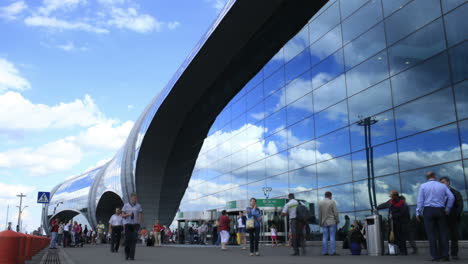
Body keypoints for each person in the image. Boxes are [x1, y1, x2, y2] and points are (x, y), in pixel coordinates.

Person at [416, 172, 454, 262]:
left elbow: (420, 201)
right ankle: (445, 255)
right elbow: (451, 197)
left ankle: (435, 256)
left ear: (427, 178)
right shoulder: (442, 186)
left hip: (428, 211)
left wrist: (418, 212)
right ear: (435, 177)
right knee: (443, 233)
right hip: (440, 210)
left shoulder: (423, 186)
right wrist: (448, 209)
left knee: (431, 234)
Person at [378, 190, 410, 255]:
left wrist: (394, 215)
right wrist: (377, 207)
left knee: (400, 237)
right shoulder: (391, 202)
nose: (391, 198)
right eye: (391, 197)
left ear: (396, 196)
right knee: (390, 237)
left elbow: (402, 213)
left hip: (399, 223)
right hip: (391, 223)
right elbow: (384, 205)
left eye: (392, 196)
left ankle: (403, 251)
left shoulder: (402, 203)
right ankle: (391, 251)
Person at [440, 176, 464, 260]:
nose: (441, 184)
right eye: (440, 183)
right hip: (443, 219)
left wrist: (455, 215)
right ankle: (444, 254)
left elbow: (460, 205)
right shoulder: (439, 194)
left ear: (448, 182)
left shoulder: (455, 193)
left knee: (454, 237)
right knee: (444, 237)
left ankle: (454, 254)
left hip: (453, 219)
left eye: (443, 182)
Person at [122, 192, 143, 261]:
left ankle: (132, 256)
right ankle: (127, 254)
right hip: (128, 225)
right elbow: (122, 215)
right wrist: (128, 215)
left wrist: (139, 223)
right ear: (131, 198)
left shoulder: (138, 206)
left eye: (136, 198)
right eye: (134, 198)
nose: (135, 199)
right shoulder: (126, 206)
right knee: (127, 241)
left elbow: (140, 215)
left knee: (134, 241)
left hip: (135, 225)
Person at [318, 191, 339, 256]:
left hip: (324, 222)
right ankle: (333, 252)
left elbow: (319, 214)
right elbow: (336, 212)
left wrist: (320, 222)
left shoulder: (320, 202)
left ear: (325, 195)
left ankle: (325, 252)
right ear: (330, 196)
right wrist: (337, 220)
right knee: (332, 236)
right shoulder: (332, 202)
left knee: (325, 237)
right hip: (332, 221)